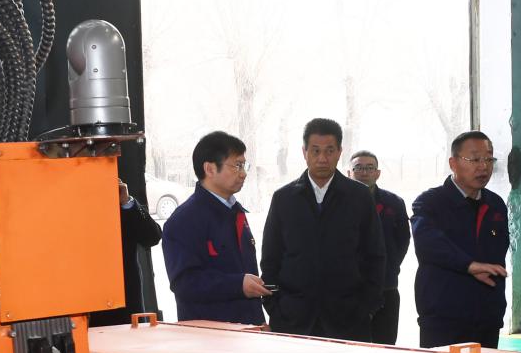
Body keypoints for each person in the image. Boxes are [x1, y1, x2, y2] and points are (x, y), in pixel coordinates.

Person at [261, 118, 385, 341]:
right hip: (293, 320)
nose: (322, 158)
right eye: (315, 151)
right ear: (304, 152)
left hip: (348, 320)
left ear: (339, 152)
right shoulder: (284, 198)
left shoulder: (359, 196)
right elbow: (270, 258)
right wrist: (275, 307)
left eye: (329, 151)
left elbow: (375, 256)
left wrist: (366, 307)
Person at [410, 131, 510, 348]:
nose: (483, 166)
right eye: (475, 159)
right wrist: (469, 265)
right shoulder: (430, 202)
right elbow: (428, 244)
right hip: (444, 318)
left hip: (487, 317)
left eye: (489, 159)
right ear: (453, 163)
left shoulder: (495, 204)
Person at [160, 131, 269, 324]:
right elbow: (185, 283)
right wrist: (238, 285)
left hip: (249, 329)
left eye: (244, 166)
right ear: (210, 169)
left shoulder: (235, 212)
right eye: (237, 165)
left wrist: (259, 323)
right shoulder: (183, 220)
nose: (243, 173)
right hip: (210, 333)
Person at [348, 151, 410, 345]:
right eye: (358, 168)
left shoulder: (394, 203)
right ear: (349, 173)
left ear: (378, 173)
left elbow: (403, 240)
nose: (364, 172)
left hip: (386, 286)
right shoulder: (339, 203)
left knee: (385, 345)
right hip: (350, 288)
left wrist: (390, 265)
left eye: (370, 168)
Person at [91, 177, 163, 326]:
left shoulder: (119, 200)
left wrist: (127, 202)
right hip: (88, 303)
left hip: (125, 301)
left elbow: (152, 237)